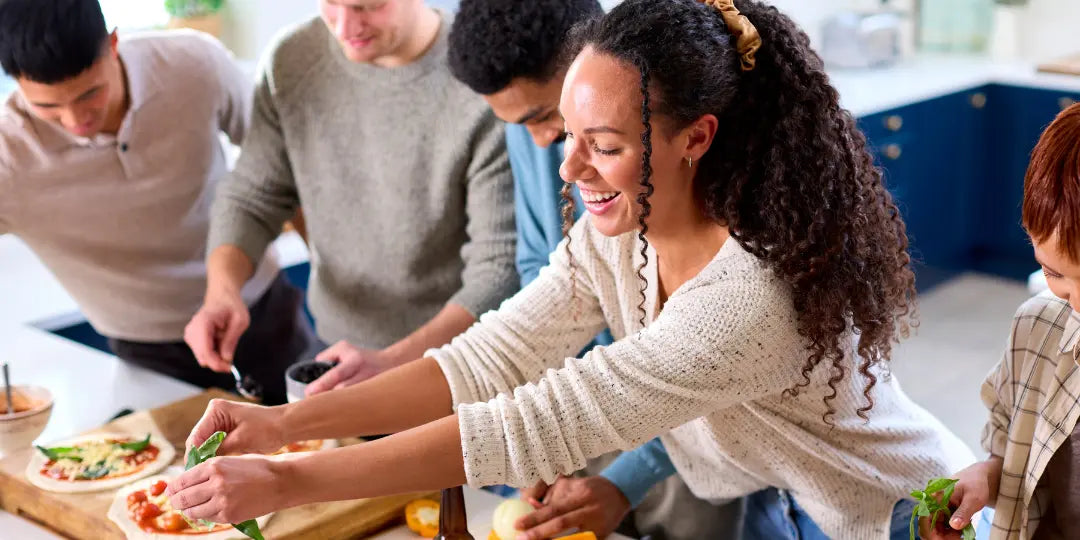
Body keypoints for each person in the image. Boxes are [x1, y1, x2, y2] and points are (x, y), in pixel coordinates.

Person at [167, 2, 974, 538]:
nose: (570, 168)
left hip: (910, 513)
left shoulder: (749, 297)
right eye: (570, 133)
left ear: (696, 137)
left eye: (606, 145)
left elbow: (536, 420)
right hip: (807, 502)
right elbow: (492, 357)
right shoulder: (622, 232)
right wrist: (283, 426)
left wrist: (286, 484)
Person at [447, 1, 742, 538]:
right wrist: (550, 430)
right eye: (518, 125)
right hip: (579, 416)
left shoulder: (701, 189)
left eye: (543, 117)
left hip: (688, 446)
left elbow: (703, 361)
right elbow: (541, 273)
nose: (549, 149)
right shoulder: (541, 142)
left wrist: (630, 475)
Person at [186, 0, 518, 392]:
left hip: (457, 363)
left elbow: (498, 269)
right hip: (335, 347)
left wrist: (391, 362)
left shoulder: (483, 78)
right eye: (331, 3)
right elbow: (252, 196)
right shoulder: (292, 59)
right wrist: (222, 290)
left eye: (368, 6)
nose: (345, 26)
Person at [0, 0, 310, 405]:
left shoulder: (193, 63)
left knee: (330, 443)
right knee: (186, 465)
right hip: (147, 351)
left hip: (261, 311)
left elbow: (286, 169)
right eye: (48, 107)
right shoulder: (8, 157)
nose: (76, 121)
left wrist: (333, 277)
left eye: (90, 93)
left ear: (113, 44)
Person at [922, 103, 1080, 540]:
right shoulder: (1037, 331)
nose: (1077, 306)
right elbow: (1022, 467)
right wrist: (985, 480)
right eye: (1055, 273)